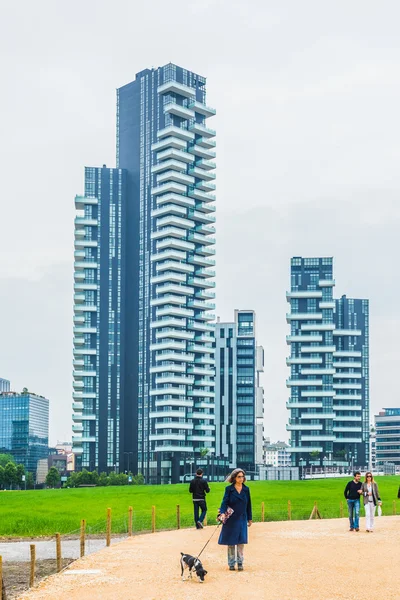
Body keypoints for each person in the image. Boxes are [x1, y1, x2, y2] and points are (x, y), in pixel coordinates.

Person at [218, 468, 252, 571]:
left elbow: (249, 505)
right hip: (231, 519)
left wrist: (250, 518)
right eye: (239, 477)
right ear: (234, 478)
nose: (241, 479)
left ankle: (240, 562)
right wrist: (222, 513)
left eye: (242, 476)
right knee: (231, 542)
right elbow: (224, 502)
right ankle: (231, 563)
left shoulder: (246, 489)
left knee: (241, 541)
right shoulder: (229, 489)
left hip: (242, 518)